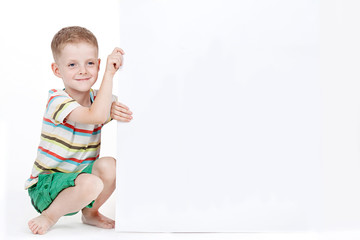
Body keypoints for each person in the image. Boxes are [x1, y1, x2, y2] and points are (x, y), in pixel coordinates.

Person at [24, 26, 132, 235]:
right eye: (72, 65)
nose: (83, 70)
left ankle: (90, 213)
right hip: (47, 185)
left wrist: (120, 110)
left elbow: (110, 108)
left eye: (90, 63)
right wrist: (110, 73)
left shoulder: (99, 100)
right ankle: (49, 216)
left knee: (111, 166)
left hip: (80, 180)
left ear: (98, 64)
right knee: (92, 184)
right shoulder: (57, 100)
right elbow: (96, 115)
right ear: (57, 70)